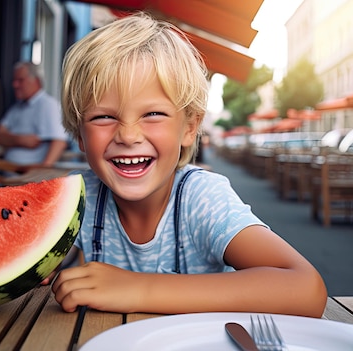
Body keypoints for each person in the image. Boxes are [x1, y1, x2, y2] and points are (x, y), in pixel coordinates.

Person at [47, 13, 327, 318]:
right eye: (103, 116)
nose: (128, 135)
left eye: (153, 114)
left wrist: (139, 289)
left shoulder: (201, 198)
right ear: (79, 135)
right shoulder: (80, 197)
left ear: (189, 127)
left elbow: (306, 288)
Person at [0, 62, 68, 167]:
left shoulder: (48, 105)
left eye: (20, 80)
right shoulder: (17, 107)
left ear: (36, 81)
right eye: (14, 81)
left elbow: (59, 142)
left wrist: (42, 173)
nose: (14, 85)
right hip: (6, 173)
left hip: (28, 178)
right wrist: (21, 140)